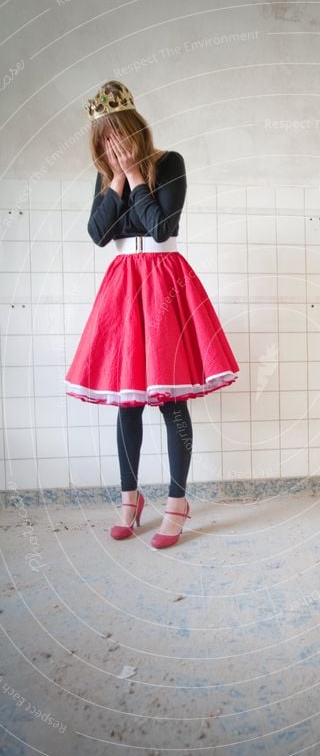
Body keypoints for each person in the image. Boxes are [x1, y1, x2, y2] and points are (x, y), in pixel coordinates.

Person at [65, 81, 239, 548]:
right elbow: (99, 234)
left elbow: (163, 226)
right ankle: (129, 499)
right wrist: (118, 180)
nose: (113, 145)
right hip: (123, 287)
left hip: (164, 283)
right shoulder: (106, 180)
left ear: (135, 129)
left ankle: (177, 503)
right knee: (128, 401)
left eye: (118, 134)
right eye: (104, 139)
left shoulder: (170, 163)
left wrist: (139, 176)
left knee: (171, 398)